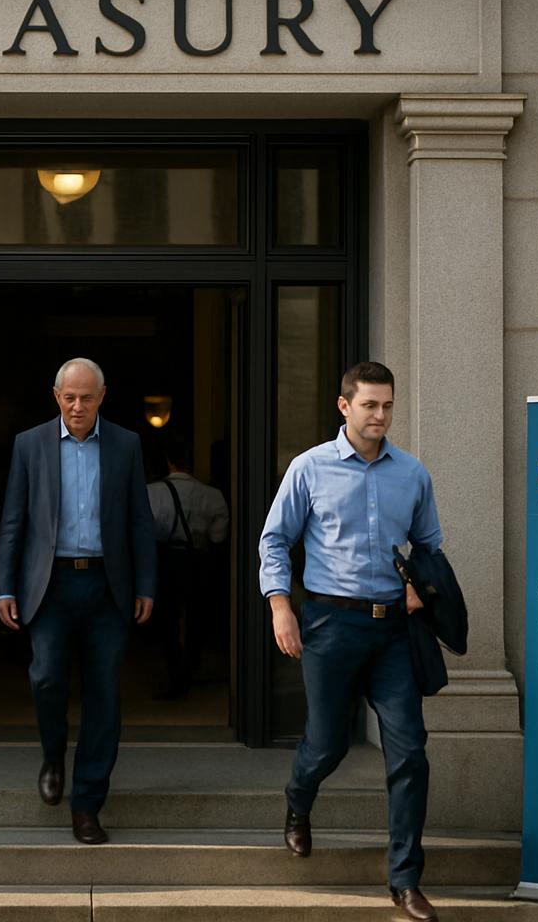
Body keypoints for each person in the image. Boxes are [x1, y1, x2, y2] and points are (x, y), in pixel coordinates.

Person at [259, 360, 442, 921]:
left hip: (393, 632)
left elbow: (429, 548)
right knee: (327, 745)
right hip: (330, 625)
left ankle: (405, 880)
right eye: (369, 405)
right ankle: (298, 800)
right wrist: (281, 607)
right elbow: (274, 540)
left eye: (387, 405)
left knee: (410, 752)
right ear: (344, 406)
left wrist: (419, 585)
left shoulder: (412, 473)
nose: (380, 415)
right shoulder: (309, 468)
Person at [0, 357, 157, 845]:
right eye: (70, 397)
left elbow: (140, 520)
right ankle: (52, 754)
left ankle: (87, 804)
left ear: (102, 397)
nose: (78, 406)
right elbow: (13, 521)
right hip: (50, 585)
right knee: (46, 678)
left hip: (108, 586)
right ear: (56, 397)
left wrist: (146, 585)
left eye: (87, 398)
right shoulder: (30, 444)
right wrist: (5, 587)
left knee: (104, 695)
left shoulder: (126, 444)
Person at [146, 430, 230, 697]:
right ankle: (190, 666)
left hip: (165, 560)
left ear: (168, 460)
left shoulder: (150, 493)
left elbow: (142, 533)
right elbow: (218, 537)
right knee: (197, 615)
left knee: (166, 618)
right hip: (197, 561)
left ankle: (172, 671)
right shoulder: (212, 496)